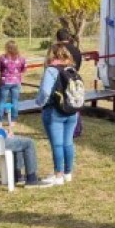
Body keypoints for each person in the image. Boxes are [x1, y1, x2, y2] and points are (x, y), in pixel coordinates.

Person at [35, 44, 79, 186]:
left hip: (54, 110)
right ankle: (68, 173)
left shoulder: (51, 70)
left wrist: (39, 102)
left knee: (57, 144)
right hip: (72, 110)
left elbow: (46, 91)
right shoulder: (72, 69)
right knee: (68, 142)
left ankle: (58, 175)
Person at [0, 40, 28, 128]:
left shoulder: (2, 58)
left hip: (4, 82)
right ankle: (13, 120)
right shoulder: (21, 58)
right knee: (15, 101)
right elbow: (24, 69)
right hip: (16, 82)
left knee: (1, 102)